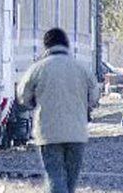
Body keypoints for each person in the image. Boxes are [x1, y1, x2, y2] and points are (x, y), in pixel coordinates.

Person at [18, 28, 99, 193]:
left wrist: (33, 102)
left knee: (55, 177)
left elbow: (23, 95)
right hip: (77, 133)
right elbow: (94, 97)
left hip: (48, 132)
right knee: (70, 181)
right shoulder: (81, 68)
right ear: (66, 45)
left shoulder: (38, 68)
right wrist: (86, 106)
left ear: (46, 46)